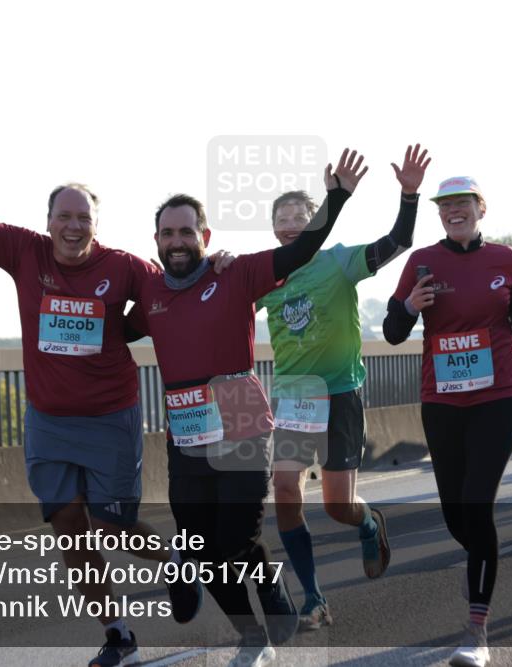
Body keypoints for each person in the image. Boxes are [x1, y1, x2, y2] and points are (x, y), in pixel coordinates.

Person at [0, 98, 209, 667]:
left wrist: (215, 262)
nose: (74, 226)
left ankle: (178, 565)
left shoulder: (123, 266)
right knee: (70, 531)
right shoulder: (24, 251)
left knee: (110, 527)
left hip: (110, 417)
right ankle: (118, 635)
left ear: (95, 226)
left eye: (84, 218)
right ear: (49, 221)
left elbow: (174, 287)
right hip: (49, 420)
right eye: (65, 216)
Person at [126, 149, 365, 667]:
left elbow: (301, 251)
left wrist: (336, 199)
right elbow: (111, 330)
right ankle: (253, 636)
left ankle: (269, 586)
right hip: (186, 430)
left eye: (186, 232)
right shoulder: (150, 293)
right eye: (167, 234)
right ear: (157, 242)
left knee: (236, 539)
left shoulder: (235, 274)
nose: (177, 241)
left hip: (239, 417)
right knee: (202, 550)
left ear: (205, 236)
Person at [259, 144, 429, 631]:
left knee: (337, 506)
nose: (291, 225)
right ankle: (314, 598)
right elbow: (221, 303)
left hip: (340, 394)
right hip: (294, 397)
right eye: (282, 220)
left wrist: (409, 195)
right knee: (285, 492)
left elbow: (398, 241)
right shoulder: (266, 274)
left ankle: (369, 521)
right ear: (274, 230)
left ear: (317, 222)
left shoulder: (338, 260)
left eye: (300, 217)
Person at [382, 176, 512, 667]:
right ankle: (483, 561)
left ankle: (477, 628)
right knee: (456, 515)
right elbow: (392, 333)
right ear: (440, 214)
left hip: (498, 396)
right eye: (446, 205)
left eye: (463, 203)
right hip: (443, 401)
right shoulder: (422, 262)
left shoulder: (506, 259)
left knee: (477, 502)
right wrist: (408, 307)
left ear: (480, 209)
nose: (454, 211)